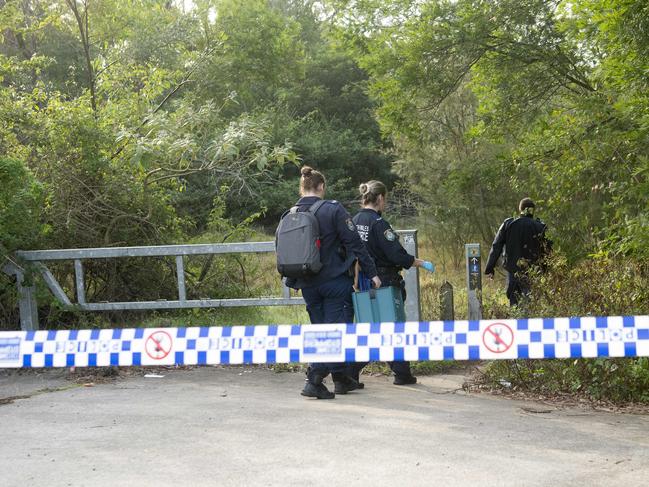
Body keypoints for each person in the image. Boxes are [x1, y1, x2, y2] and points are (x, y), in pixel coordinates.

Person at [284, 166, 381, 399]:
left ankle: (340, 378)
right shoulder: (333, 209)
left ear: (302, 187)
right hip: (334, 283)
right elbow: (355, 243)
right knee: (334, 333)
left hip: (306, 283)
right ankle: (314, 380)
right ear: (321, 187)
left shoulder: (290, 212)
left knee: (321, 331)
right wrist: (372, 273)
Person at [351, 180, 435, 386]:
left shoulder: (354, 221)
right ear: (380, 198)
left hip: (362, 282)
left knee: (370, 328)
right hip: (385, 282)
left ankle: (350, 373)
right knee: (393, 328)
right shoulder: (380, 225)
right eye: (385, 199)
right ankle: (401, 373)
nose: (385, 203)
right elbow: (396, 255)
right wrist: (420, 262)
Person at [484, 197, 551, 306]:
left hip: (513, 272)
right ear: (532, 210)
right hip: (533, 272)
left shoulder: (508, 224)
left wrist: (490, 268)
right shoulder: (540, 226)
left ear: (521, 209)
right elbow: (547, 251)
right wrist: (546, 270)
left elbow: (496, 246)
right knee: (531, 303)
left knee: (514, 304)